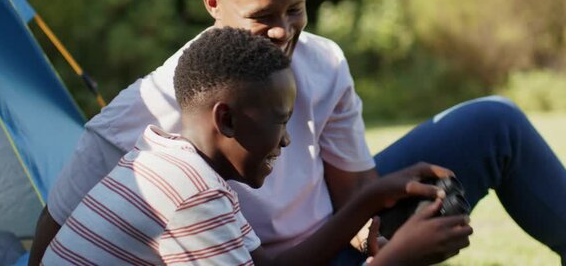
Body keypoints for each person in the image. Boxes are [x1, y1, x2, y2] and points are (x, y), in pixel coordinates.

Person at [31, 0, 566, 265]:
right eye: (262, 15)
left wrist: (384, 227)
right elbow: (54, 243)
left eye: (296, 10)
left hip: (324, 245)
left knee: (493, 122)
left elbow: (357, 196)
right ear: (213, 4)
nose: (284, 33)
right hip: (253, 261)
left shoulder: (321, 59)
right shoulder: (145, 119)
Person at [41, 27, 472, 265]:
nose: (286, 139)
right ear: (226, 119)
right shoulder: (194, 196)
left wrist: (370, 199)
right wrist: (397, 259)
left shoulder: (165, 157)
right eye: (280, 122)